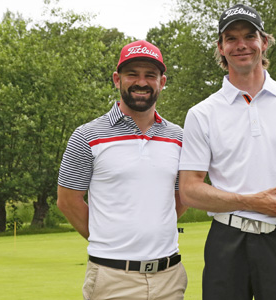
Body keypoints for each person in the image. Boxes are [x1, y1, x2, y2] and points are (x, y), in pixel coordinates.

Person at [178, 4, 276, 300]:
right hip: (227, 239)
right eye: (231, 38)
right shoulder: (202, 113)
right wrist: (253, 202)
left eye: (250, 36)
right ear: (220, 48)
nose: (242, 45)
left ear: (264, 42)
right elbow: (190, 190)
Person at [57, 40, 187, 300]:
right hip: (112, 278)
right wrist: (110, 241)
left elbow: (180, 198)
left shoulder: (179, 137)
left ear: (162, 82)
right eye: (132, 74)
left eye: (150, 75)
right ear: (117, 79)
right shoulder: (86, 136)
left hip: (169, 277)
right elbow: (68, 201)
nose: (141, 82)